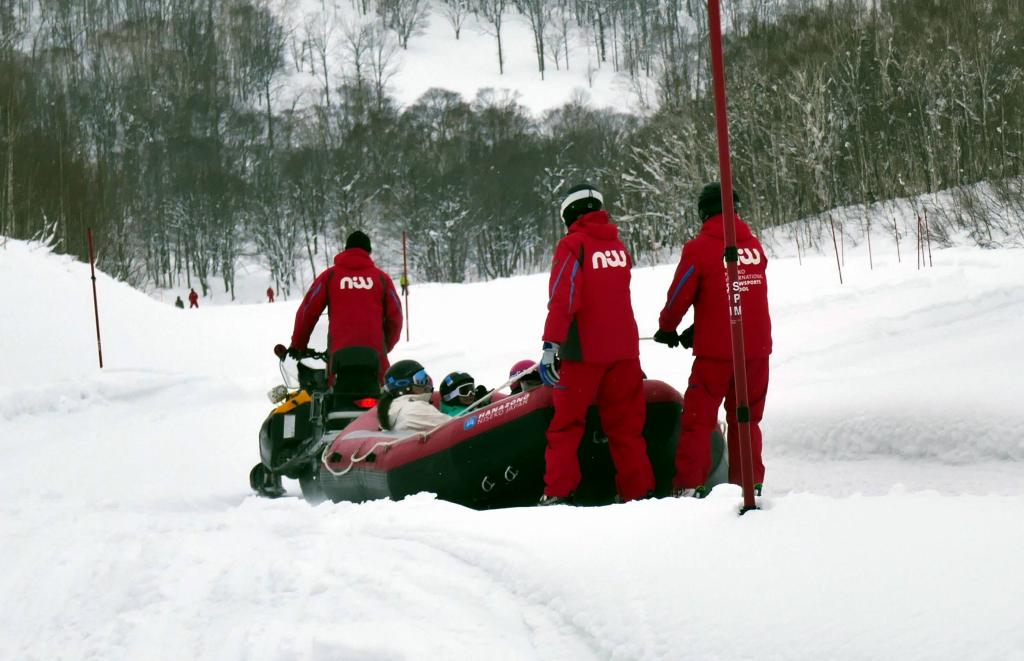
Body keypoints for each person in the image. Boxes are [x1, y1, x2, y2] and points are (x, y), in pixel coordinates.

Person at [536, 183, 656, 506]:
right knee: (627, 431)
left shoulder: (572, 246)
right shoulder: (619, 248)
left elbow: (563, 299)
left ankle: (558, 493)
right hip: (626, 355)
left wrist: (551, 344)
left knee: (565, 427)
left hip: (583, 356)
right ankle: (638, 493)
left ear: (570, 215)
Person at [654, 182, 772, 497]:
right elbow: (737, 292)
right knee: (746, 420)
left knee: (698, 420)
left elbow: (680, 294)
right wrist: (701, 325)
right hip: (757, 350)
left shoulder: (700, 248)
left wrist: (668, 327)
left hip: (718, 354)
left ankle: (690, 486)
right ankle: (749, 484)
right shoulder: (753, 245)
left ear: (704, 212)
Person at [289, 231, 403, 382]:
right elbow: (396, 318)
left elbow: (307, 311)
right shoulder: (382, 279)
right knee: (381, 401)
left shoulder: (330, 276)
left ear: (346, 249)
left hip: (339, 363)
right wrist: (384, 347)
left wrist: (298, 345)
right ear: (368, 252)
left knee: (334, 399)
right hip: (376, 362)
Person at [377, 360, 452, 432]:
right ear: (404, 386)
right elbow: (457, 427)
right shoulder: (416, 409)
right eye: (420, 378)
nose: (427, 382)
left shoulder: (391, 409)